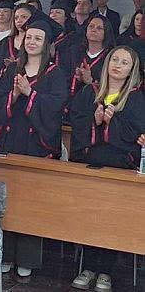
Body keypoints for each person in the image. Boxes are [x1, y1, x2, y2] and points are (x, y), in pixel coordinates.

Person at [0, 19, 67, 279]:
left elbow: (56, 106)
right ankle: (5, 254)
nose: (32, 42)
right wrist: (14, 95)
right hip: (12, 140)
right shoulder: (12, 68)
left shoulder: (55, 73)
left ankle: (27, 258)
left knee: (31, 203)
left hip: (36, 145)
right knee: (7, 200)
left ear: (46, 44)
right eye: (29, 37)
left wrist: (29, 93)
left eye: (38, 38)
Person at [69, 46, 144, 292]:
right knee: (91, 216)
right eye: (115, 59)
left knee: (111, 219)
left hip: (119, 168)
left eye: (124, 62)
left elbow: (137, 133)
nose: (118, 65)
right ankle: (88, 268)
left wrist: (113, 122)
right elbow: (76, 121)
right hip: (92, 164)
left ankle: (106, 272)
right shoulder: (90, 92)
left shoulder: (135, 97)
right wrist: (95, 121)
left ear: (131, 69)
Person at [67, 15, 116, 103]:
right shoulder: (75, 52)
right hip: (72, 102)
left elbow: (113, 88)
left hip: (96, 104)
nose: (94, 30)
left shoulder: (111, 57)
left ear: (106, 33)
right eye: (91, 26)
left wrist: (90, 82)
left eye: (99, 28)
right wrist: (76, 78)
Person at [0, 3, 32, 90]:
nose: (19, 20)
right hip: (4, 89)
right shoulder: (5, 42)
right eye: (16, 18)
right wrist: (7, 69)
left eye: (24, 17)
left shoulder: (35, 44)